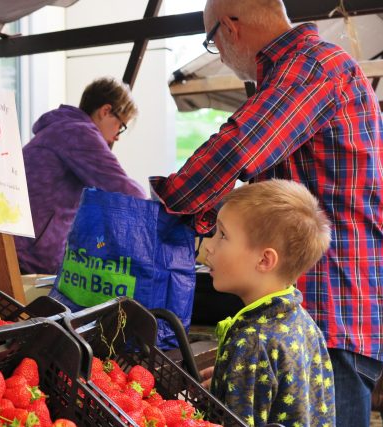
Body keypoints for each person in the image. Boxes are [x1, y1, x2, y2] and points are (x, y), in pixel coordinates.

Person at [151, 0, 383, 425]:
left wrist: (166, 210)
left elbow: (238, 146)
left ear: (230, 27)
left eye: (211, 40)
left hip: (331, 312)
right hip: (318, 317)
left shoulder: (313, 66)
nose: (217, 53)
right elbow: (264, 207)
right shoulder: (305, 71)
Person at [0, 77, 146, 282]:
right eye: (121, 126)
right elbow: (120, 187)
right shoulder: (77, 133)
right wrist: (161, 209)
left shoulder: (61, 129)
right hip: (4, 263)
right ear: (105, 111)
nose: (117, 136)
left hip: (3, 258)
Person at [200, 179, 334, 427]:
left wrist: (241, 369)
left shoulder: (252, 342)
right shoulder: (301, 322)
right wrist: (227, 380)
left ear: (264, 260)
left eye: (222, 235)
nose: (207, 245)